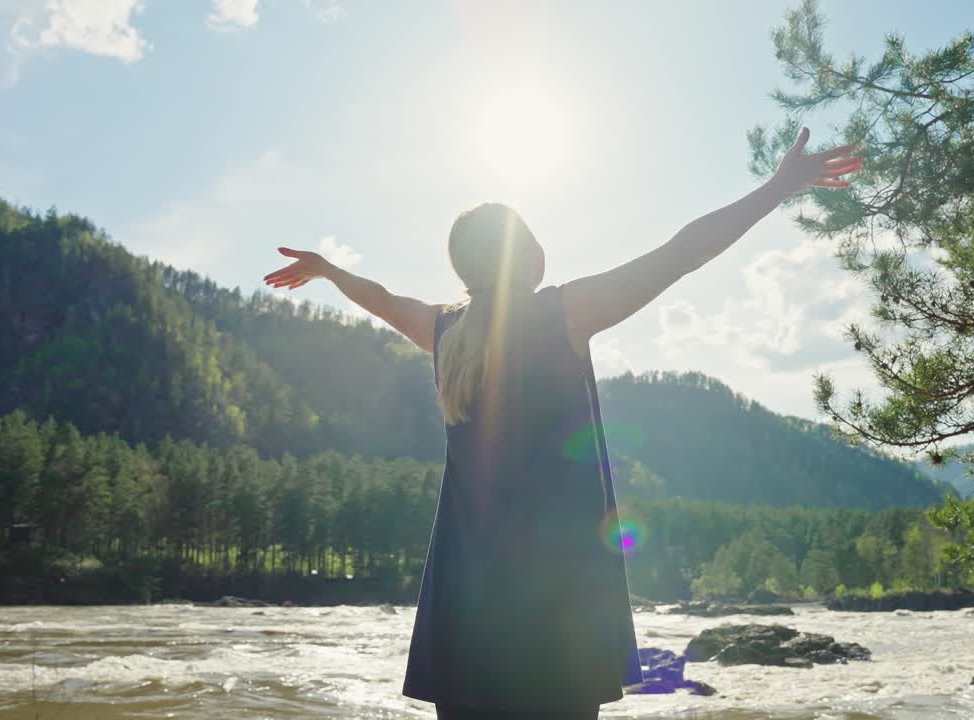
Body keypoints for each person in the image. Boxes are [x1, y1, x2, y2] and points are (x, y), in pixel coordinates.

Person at [263, 128, 862, 719]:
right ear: (530, 255)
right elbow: (681, 253)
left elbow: (380, 295)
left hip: (465, 597)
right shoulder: (565, 314)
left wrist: (329, 272)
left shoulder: (444, 330)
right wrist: (779, 187)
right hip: (559, 598)